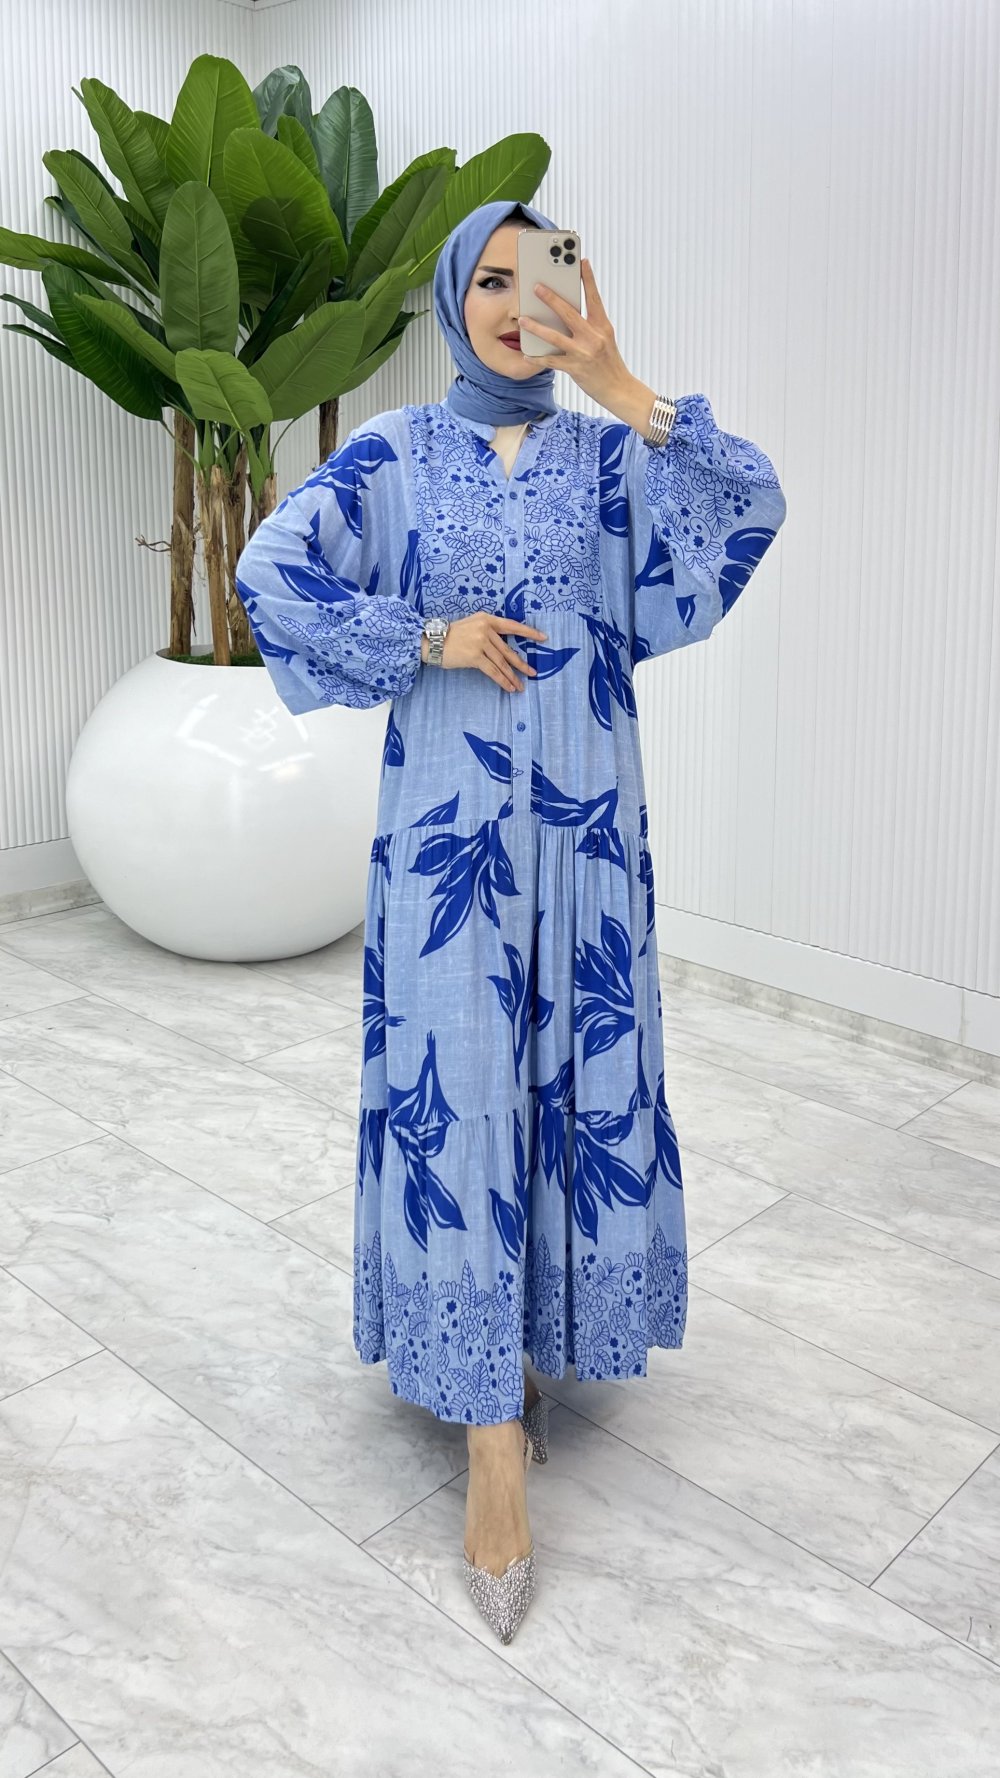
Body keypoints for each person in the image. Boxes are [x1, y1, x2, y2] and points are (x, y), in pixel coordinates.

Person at [234, 198, 788, 1645]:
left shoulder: (612, 460)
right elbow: (270, 574)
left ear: (575, 297)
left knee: (569, 1081)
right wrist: (426, 637)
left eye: (541, 277)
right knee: (464, 1090)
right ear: (450, 297)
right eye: (486, 278)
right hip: (447, 846)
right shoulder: (398, 456)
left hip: (588, 840)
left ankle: (533, 1345)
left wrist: (625, 387)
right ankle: (490, 1442)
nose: (511, 301)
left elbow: (746, 510)